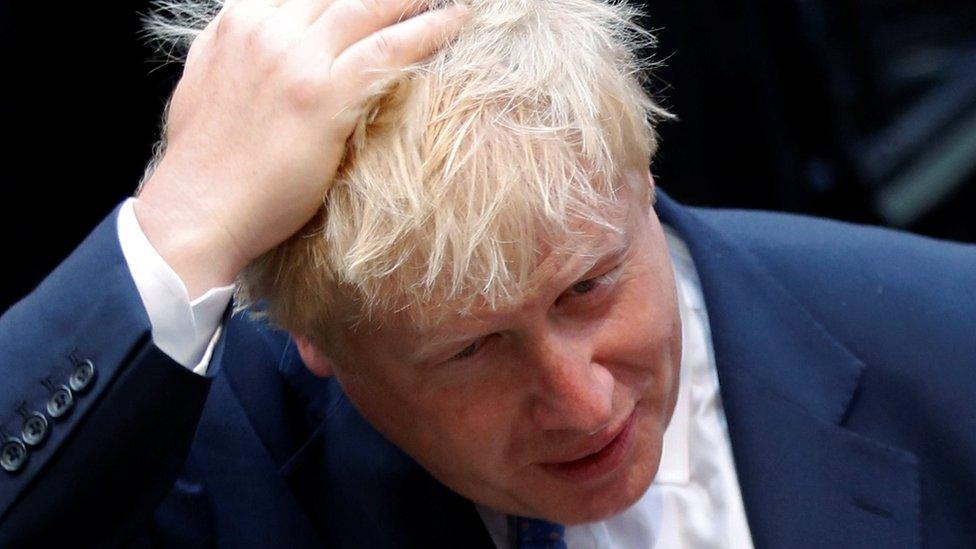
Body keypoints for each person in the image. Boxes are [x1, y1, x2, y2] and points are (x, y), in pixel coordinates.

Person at [1, 0, 974, 547]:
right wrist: (182, 226)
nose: (581, 400)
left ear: (638, 177)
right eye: (470, 348)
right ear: (315, 339)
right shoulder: (214, 471)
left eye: (587, 288)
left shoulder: (946, 340)